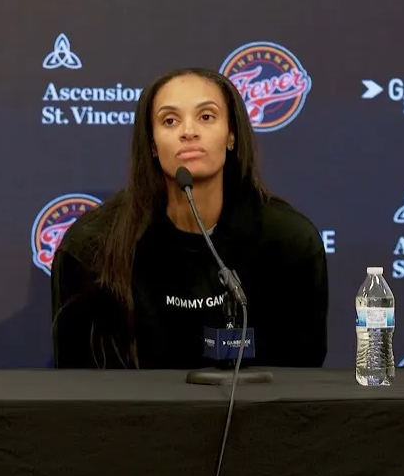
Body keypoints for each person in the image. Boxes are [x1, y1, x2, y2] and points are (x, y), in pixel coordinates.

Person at [51, 67, 328, 369]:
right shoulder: (93, 246)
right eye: (169, 120)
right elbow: (78, 383)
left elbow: (300, 383)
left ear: (231, 135)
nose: (188, 131)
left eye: (206, 117)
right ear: (153, 145)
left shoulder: (289, 242)